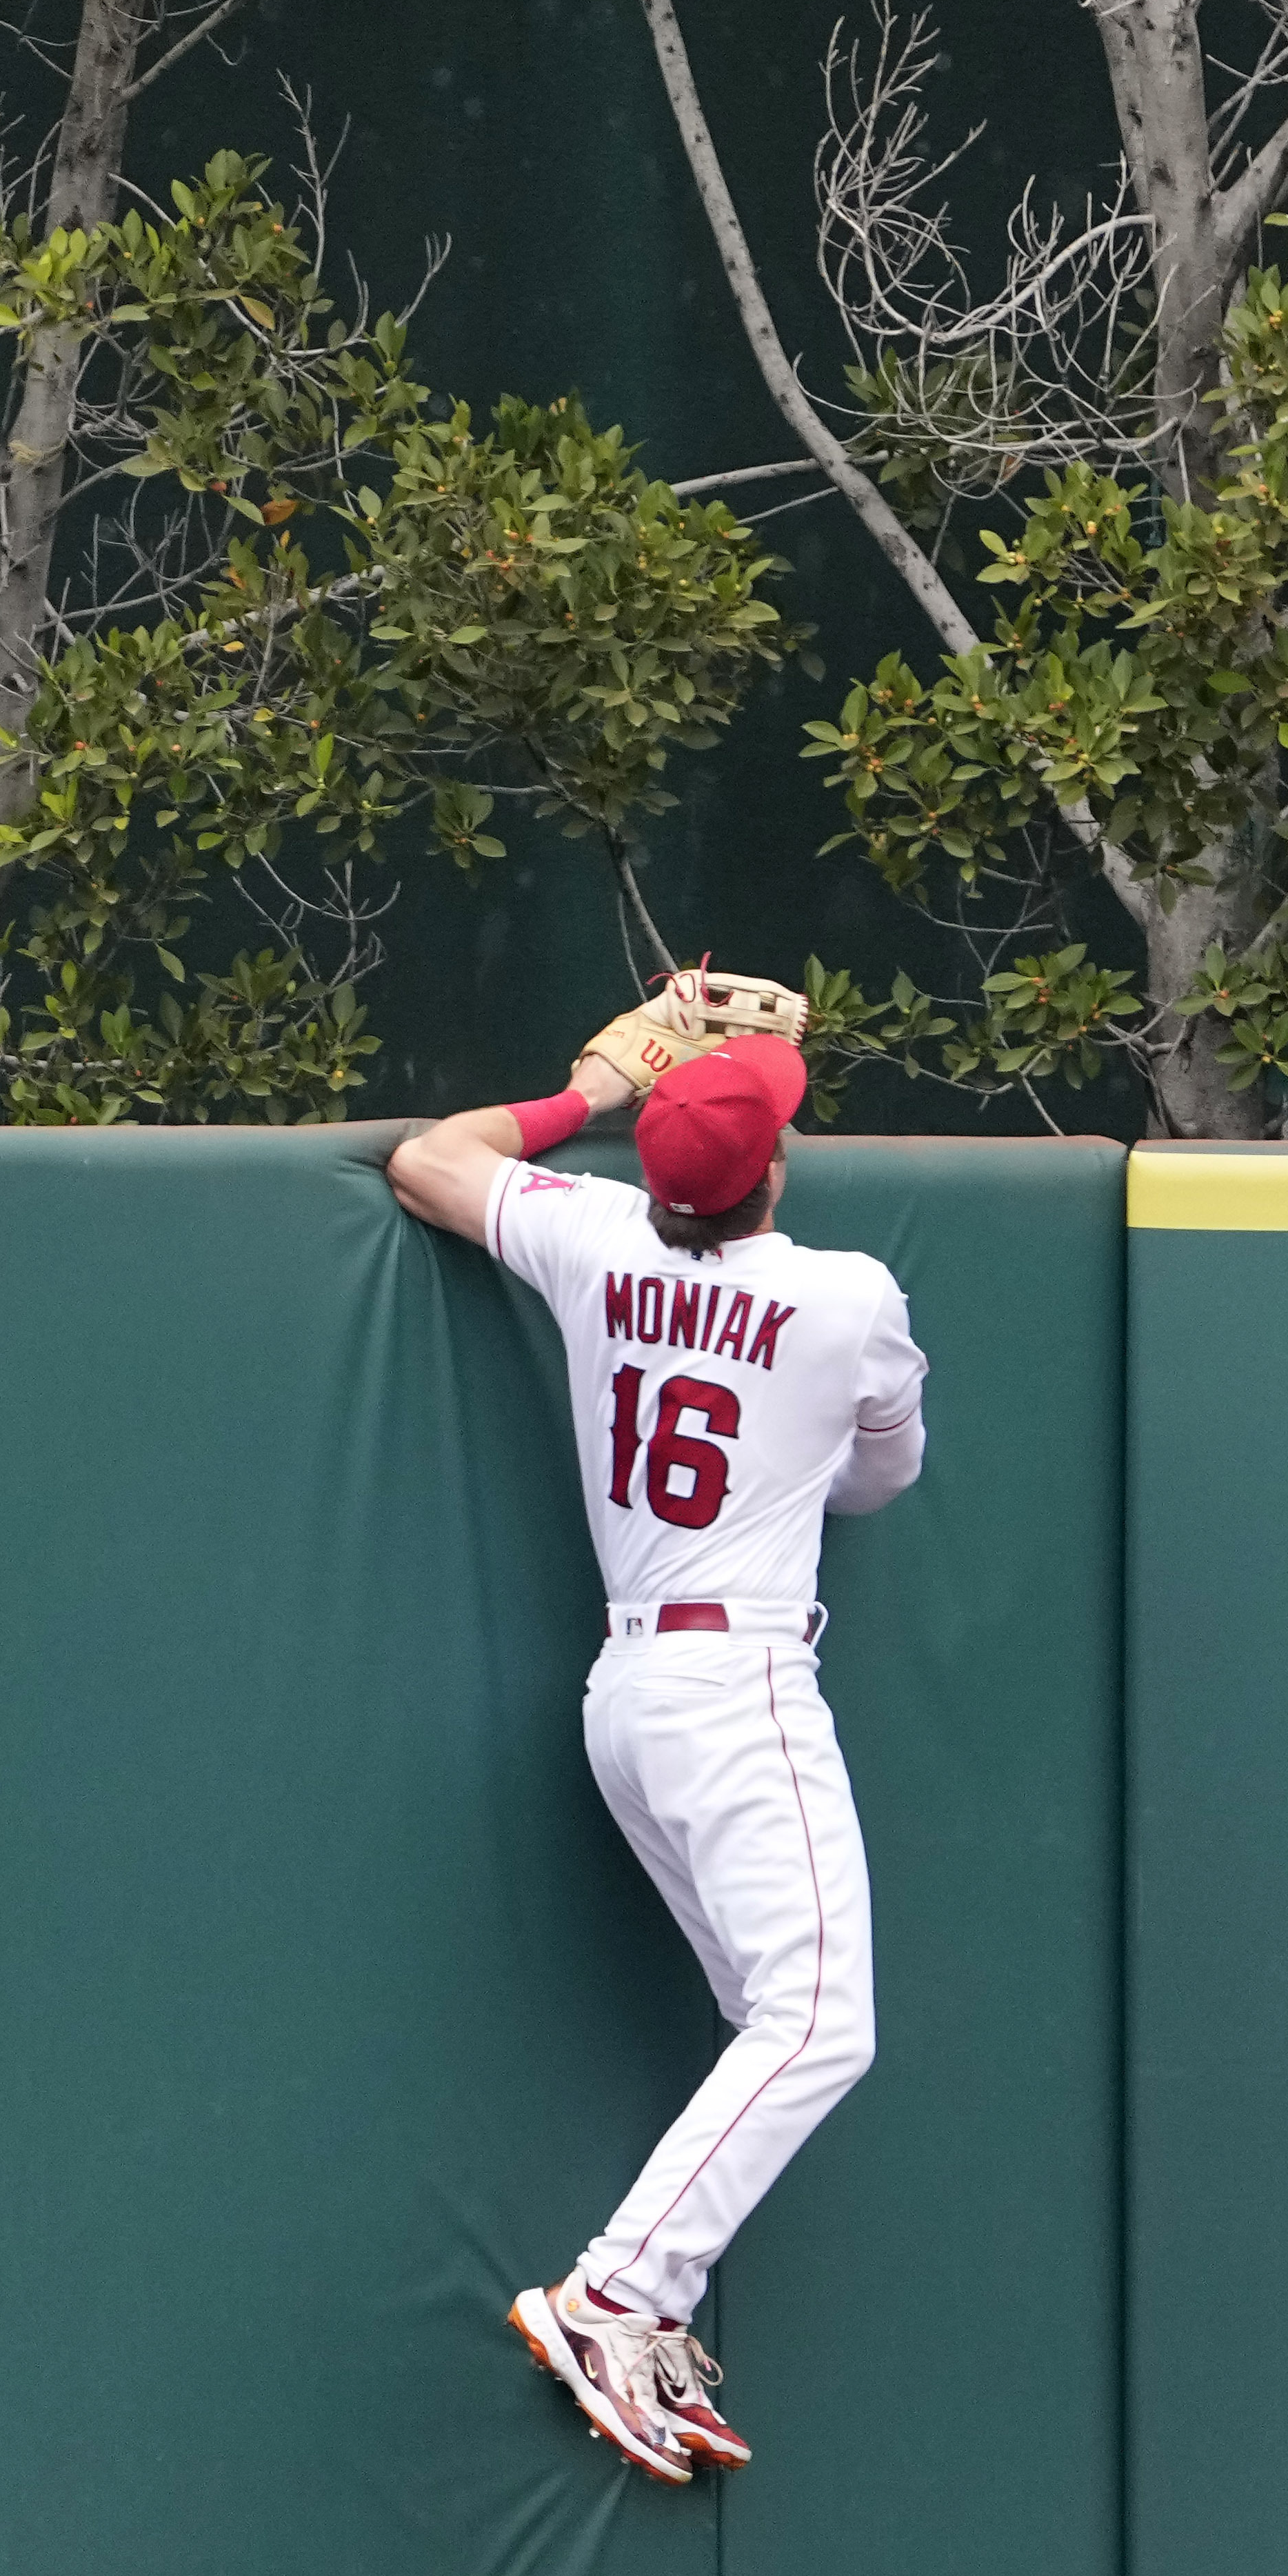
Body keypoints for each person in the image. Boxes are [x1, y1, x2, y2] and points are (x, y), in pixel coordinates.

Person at [387, 1029, 926, 2484]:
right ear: (772, 1175)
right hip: (739, 1679)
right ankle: (617, 2290)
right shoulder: (844, 1294)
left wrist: (592, 1093)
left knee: (775, 2008)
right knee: (823, 2023)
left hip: (626, 1691)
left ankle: (651, 2297)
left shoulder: (593, 1233)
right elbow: (885, 1475)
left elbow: (428, 1157)